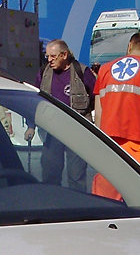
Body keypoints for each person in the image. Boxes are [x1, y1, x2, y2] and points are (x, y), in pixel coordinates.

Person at [91, 32, 140, 201]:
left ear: (129, 46)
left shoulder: (105, 70)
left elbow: (99, 112)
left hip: (110, 146)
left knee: (106, 203)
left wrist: (100, 142)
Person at [24, 39, 95, 190]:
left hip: (77, 132)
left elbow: (96, 98)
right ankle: (52, 205)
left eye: (53, 56)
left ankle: (78, 210)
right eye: (47, 56)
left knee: (76, 175)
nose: (49, 60)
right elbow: (33, 101)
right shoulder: (44, 73)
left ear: (64, 55)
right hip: (51, 131)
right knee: (50, 174)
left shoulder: (82, 72)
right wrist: (31, 126)